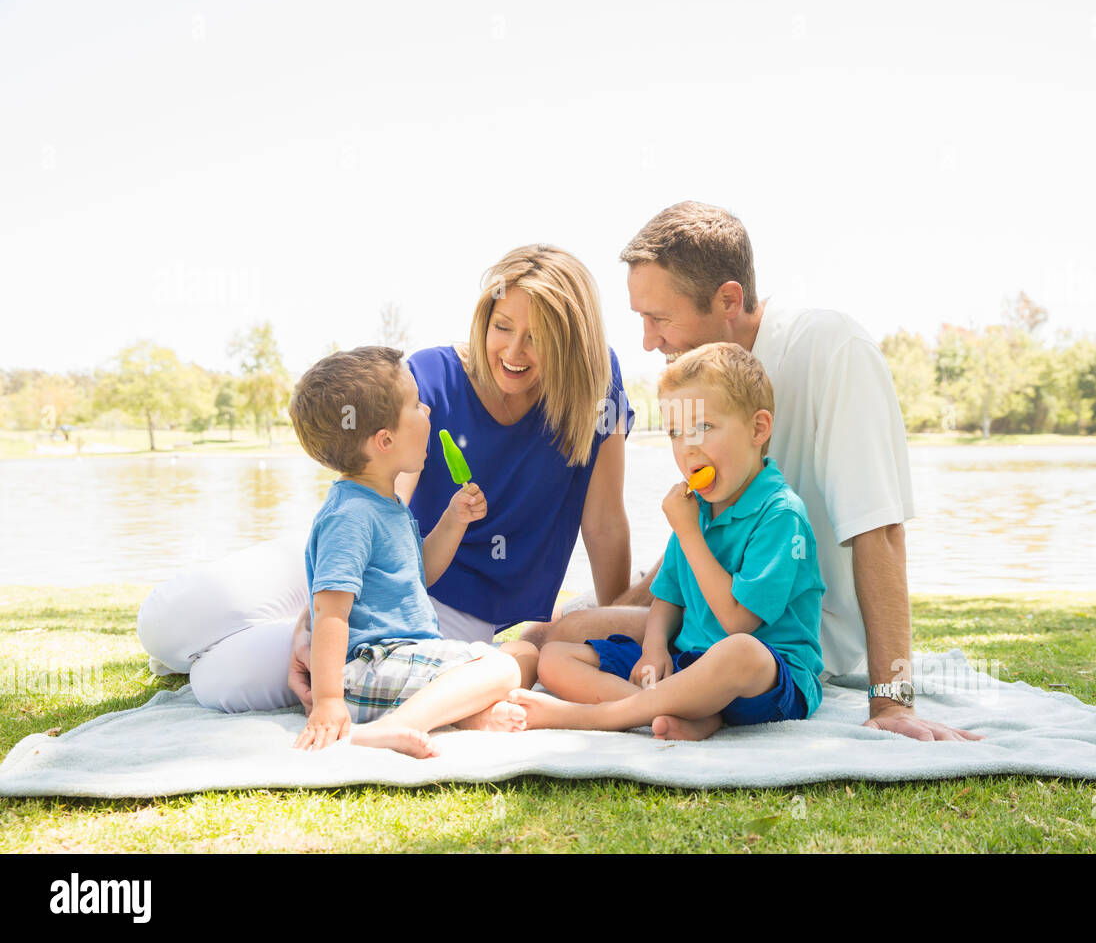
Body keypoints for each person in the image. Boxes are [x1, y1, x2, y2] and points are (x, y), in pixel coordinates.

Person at [522, 203, 983, 743]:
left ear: (729, 300)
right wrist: (610, 616)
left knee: (609, 636)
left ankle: (626, 711)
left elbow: (877, 527)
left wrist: (892, 702)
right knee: (565, 633)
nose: (648, 341)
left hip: (788, 634)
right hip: (706, 626)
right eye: (640, 319)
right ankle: (667, 708)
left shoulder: (832, 351)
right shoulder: (703, 392)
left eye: (660, 319)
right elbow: (693, 554)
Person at [137, 244, 634, 715]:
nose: (514, 351)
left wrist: (617, 632)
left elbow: (605, 521)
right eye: (502, 326)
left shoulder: (596, 384)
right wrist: (321, 607)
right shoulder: (430, 376)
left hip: (438, 614)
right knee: (164, 622)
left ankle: (214, 650)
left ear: (571, 342)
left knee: (224, 680)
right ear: (485, 317)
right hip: (356, 554)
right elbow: (377, 509)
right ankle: (204, 642)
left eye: (539, 337)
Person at [510, 343, 824, 742]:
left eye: (703, 427)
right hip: (688, 661)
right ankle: (684, 712)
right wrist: (654, 649)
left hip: (765, 679)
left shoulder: (781, 514)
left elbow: (737, 622)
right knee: (555, 658)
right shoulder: (697, 509)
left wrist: (689, 532)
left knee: (740, 650)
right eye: (675, 432)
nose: (688, 447)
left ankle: (608, 715)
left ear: (758, 429)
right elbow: (668, 598)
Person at [287, 345, 538, 758]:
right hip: (369, 667)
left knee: (525, 653)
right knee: (503, 667)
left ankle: (464, 715)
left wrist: (454, 521)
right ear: (385, 440)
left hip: (404, 660)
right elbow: (331, 610)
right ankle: (395, 725)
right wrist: (329, 699)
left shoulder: (387, 504)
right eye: (415, 405)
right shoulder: (350, 515)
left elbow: (420, 575)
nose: (428, 410)